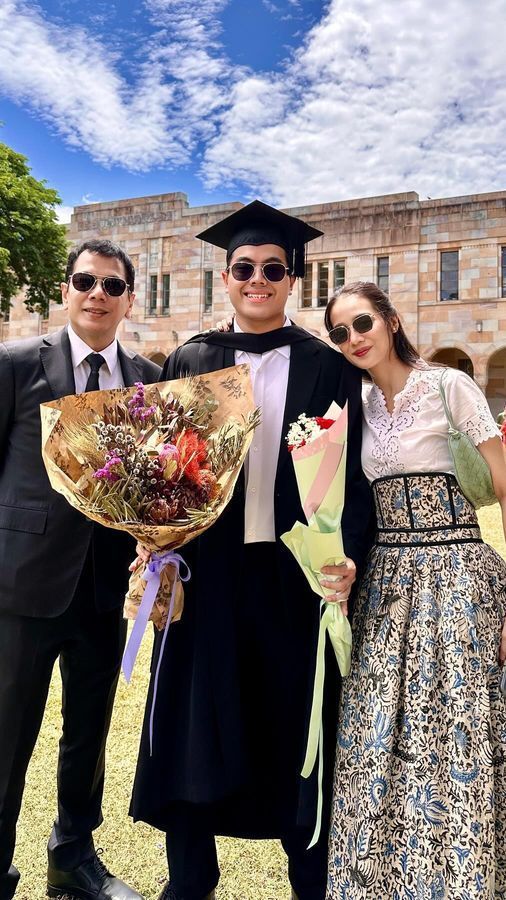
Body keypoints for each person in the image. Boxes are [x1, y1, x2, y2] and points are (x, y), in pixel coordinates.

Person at [130, 201, 373, 900]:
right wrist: (155, 546)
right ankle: (191, 874)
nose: (257, 279)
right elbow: (161, 473)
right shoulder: (191, 359)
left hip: (293, 574)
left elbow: (352, 475)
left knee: (297, 721)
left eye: (272, 269)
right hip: (207, 574)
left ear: (292, 279)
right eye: (244, 268)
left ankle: (310, 876)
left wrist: (346, 553)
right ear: (226, 276)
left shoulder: (326, 368)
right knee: (195, 719)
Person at [323, 281, 506, 898]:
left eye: (363, 323)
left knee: (452, 730)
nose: (354, 339)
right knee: (376, 733)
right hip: (385, 581)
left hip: (456, 574)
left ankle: (460, 880)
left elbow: (505, 487)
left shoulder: (450, 387)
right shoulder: (356, 405)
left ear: (392, 320)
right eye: (340, 332)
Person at [0, 239, 160, 900]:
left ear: (129, 297)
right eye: (84, 280)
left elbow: (156, 485)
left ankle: (72, 855)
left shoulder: (150, 379)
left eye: (111, 285)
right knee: (7, 732)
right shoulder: (13, 363)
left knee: (88, 730)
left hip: (104, 587)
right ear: (66, 289)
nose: (97, 293)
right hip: (22, 582)